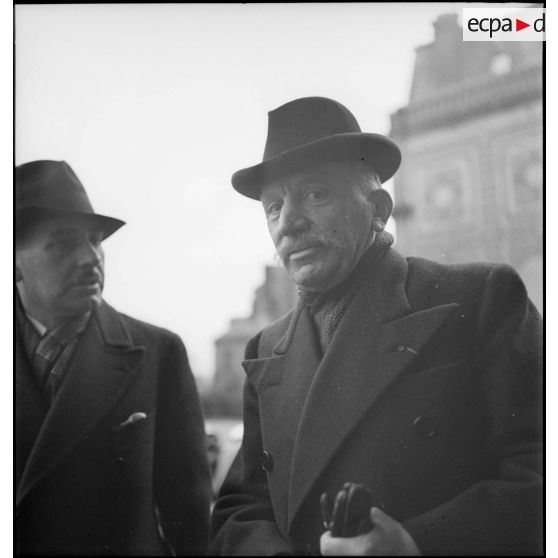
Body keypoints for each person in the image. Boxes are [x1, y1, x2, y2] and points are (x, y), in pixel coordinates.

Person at [210, 97, 543, 556]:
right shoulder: (265, 349)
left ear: (378, 209)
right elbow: (241, 509)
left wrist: (415, 543)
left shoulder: (480, 298)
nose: (289, 222)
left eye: (315, 194)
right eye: (273, 206)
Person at [15, 160, 212, 556]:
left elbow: (191, 523)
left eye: (95, 240)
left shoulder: (158, 353)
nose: (91, 257)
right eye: (63, 243)